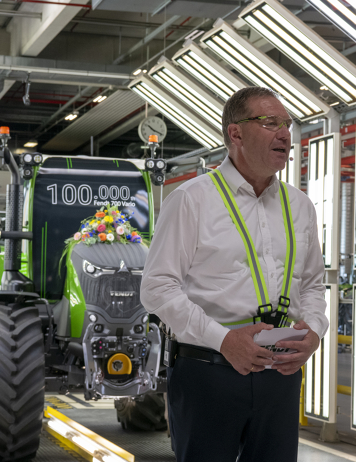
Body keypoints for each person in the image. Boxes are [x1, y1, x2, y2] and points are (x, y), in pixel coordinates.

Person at [140, 87, 329, 462]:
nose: (284, 134)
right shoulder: (192, 199)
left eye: (287, 125)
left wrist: (315, 331)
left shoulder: (300, 206)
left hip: (280, 374)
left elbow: (312, 283)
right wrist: (225, 340)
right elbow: (157, 287)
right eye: (270, 122)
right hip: (209, 373)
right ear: (235, 134)